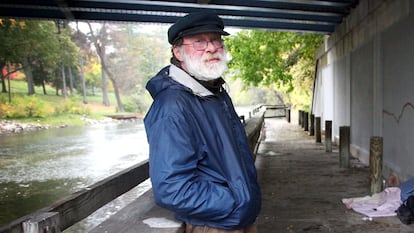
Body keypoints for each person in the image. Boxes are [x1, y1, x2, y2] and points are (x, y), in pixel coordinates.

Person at [144, 11, 261, 233]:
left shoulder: (215, 92)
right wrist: (236, 201)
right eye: (199, 42)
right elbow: (171, 188)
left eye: (216, 40)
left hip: (239, 218)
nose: (211, 47)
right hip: (215, 224)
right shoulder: (172, 106)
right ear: (177, 51)